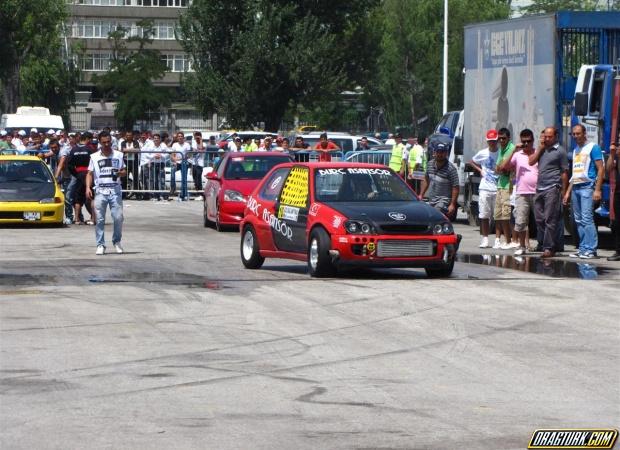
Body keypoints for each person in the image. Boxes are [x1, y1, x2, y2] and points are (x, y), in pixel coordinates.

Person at [562, 124, 605, 259]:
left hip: (587, 187)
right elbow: (575, 175)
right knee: (578, 220)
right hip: (576, 187)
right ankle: (583, 248)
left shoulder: (593, 147)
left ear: (584, 133)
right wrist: (568, 192)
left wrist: (597, 189)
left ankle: (591, 250)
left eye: (578, 133)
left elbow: (601, 169)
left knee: (587, 219)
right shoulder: (575, 150)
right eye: (573, 134)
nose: (575, 136)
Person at [529, 127, 569, 258]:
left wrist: (564, 191)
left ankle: (549, 247)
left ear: (556, 137)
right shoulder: (542, 150)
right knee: (539, 219)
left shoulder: (560, 151)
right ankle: (547, 243)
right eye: (545, 136)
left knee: (550, 219)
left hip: (553, 187)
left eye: (549, 137)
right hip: (539, 188)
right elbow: (531, 161)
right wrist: (540, 148)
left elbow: (564, 172)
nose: (546, 139)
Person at [86, 130, 126, 255]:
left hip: (115, 190)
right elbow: (90, 173)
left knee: (118, 217)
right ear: (100, 143)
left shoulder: (118, 155)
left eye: (109, 141)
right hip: (100, 191)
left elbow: (124, 170)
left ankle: (117, 241)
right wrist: (88, 187)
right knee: (100, 219)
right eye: (104, 142)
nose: (107, 144)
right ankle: (100, 244)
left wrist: (121, 173)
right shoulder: (94, 156)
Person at [503, 129, 538, 255]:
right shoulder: (517, 155)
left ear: (533, 140)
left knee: (542, 220)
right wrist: (514, 150)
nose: (527, 144)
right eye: (524, 142)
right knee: (521, 220)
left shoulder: (538, 153)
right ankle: (522, 246)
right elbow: (504, 167)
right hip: (522, 192)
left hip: (537, 191)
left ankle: (545, 245)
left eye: (529, 141)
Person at [470, 129, 500, 248]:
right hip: (485, 188)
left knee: (497, 216)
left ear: (497, 140)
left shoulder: (501, 153)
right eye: (490, 141)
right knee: (484, 215)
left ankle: (497, 239)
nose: (492, 143)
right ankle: (485, 238)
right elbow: (472, 161)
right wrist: (480, 170)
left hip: (498, 187)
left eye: (494, 141)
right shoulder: (483, 153)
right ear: (487, 141)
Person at [419, 141, 459, 221]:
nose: (440, 154)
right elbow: (426, 180)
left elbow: (456, 187)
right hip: (431, 200)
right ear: (434, 152)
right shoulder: (429, 164)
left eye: (442, 152)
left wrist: (452, 204)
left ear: (446, 153)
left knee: (435, 216)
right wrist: (421, 195)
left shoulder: (451, 169)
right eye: (438, 152)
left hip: (443, 201)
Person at [494, 128, 516, 249]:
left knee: (507, 216)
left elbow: (503, 167)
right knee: (499, 215)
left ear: (508, 138)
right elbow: (497, 168)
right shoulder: (502, 149)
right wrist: (502, 168)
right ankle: (505, 240)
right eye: (499, 138)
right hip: (500, 185)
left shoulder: (511, 148)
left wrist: (502, 168)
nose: (501, 140)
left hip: (509, 185)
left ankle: (510, 241)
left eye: (504, 138)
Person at [68, 133, 95, 225]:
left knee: (78, 197)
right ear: (87, 139)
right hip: (88, 174)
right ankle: (93, 218)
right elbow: (94, 162)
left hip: (78, 174)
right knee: (91, 196)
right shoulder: (89, 149)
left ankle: (76, 219)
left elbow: (70, 165)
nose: (91, 141)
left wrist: (76, 174)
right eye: (90, 139)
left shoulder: (74, 149)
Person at [606, 141, 620, 261]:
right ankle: (618, 251)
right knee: (617, 223)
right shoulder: (617, 155)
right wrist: (612, 155)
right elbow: (608, 168)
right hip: (618, 192)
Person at [171, 131, 190, 199]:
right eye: (179, 136)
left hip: (184, 163)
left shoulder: (187, 144)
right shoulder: (174, 144)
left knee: (184, 179)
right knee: (172, 174)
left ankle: (183, 194)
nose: (180, 137)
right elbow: (172, 155)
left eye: (181, 136)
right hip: (176, 162)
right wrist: (175, 160)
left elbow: (188, 155)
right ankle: (173, 188)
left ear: (183, 137)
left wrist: (181, 158)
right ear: (177, 138)